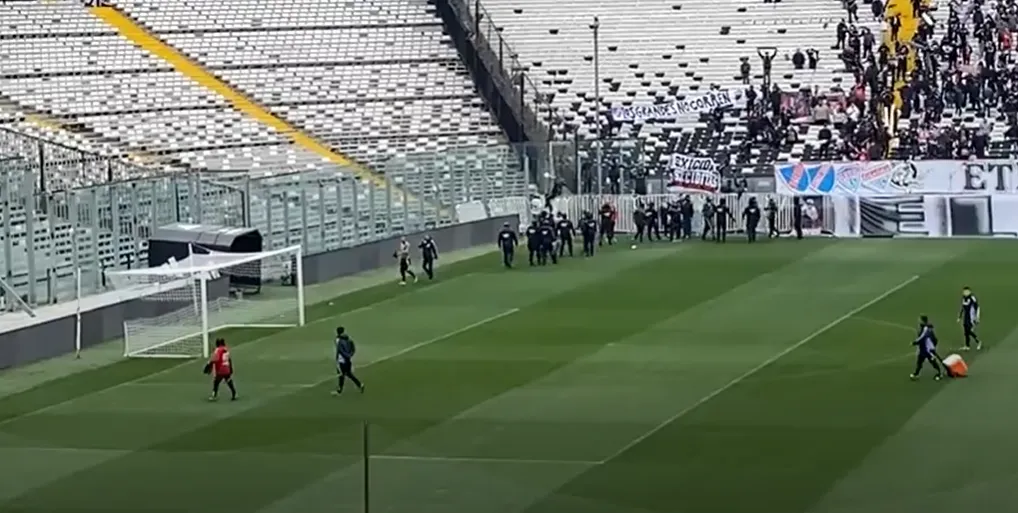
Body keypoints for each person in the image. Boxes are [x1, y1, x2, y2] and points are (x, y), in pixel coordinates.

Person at [911, 315, 944, 381]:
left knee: (933, 361)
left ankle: (940, 373)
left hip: (928, 349)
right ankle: (916, 374)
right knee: (919, 361)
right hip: (923, 349)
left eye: (920, 320)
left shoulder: (926, 329)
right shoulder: (924, 327)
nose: (918, 321)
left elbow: (922, 338)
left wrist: (914, 342)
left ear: (923, 321)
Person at [334, 326, 365, 394]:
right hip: (347, 359)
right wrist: (350, 355)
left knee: (341, 375)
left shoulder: (338, 340)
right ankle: (360, 385)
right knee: (348, 374)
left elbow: (339, 350)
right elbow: (353, 348)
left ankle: (339, 390)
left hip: (341, 360)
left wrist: (341, 357)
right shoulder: (348, 339)